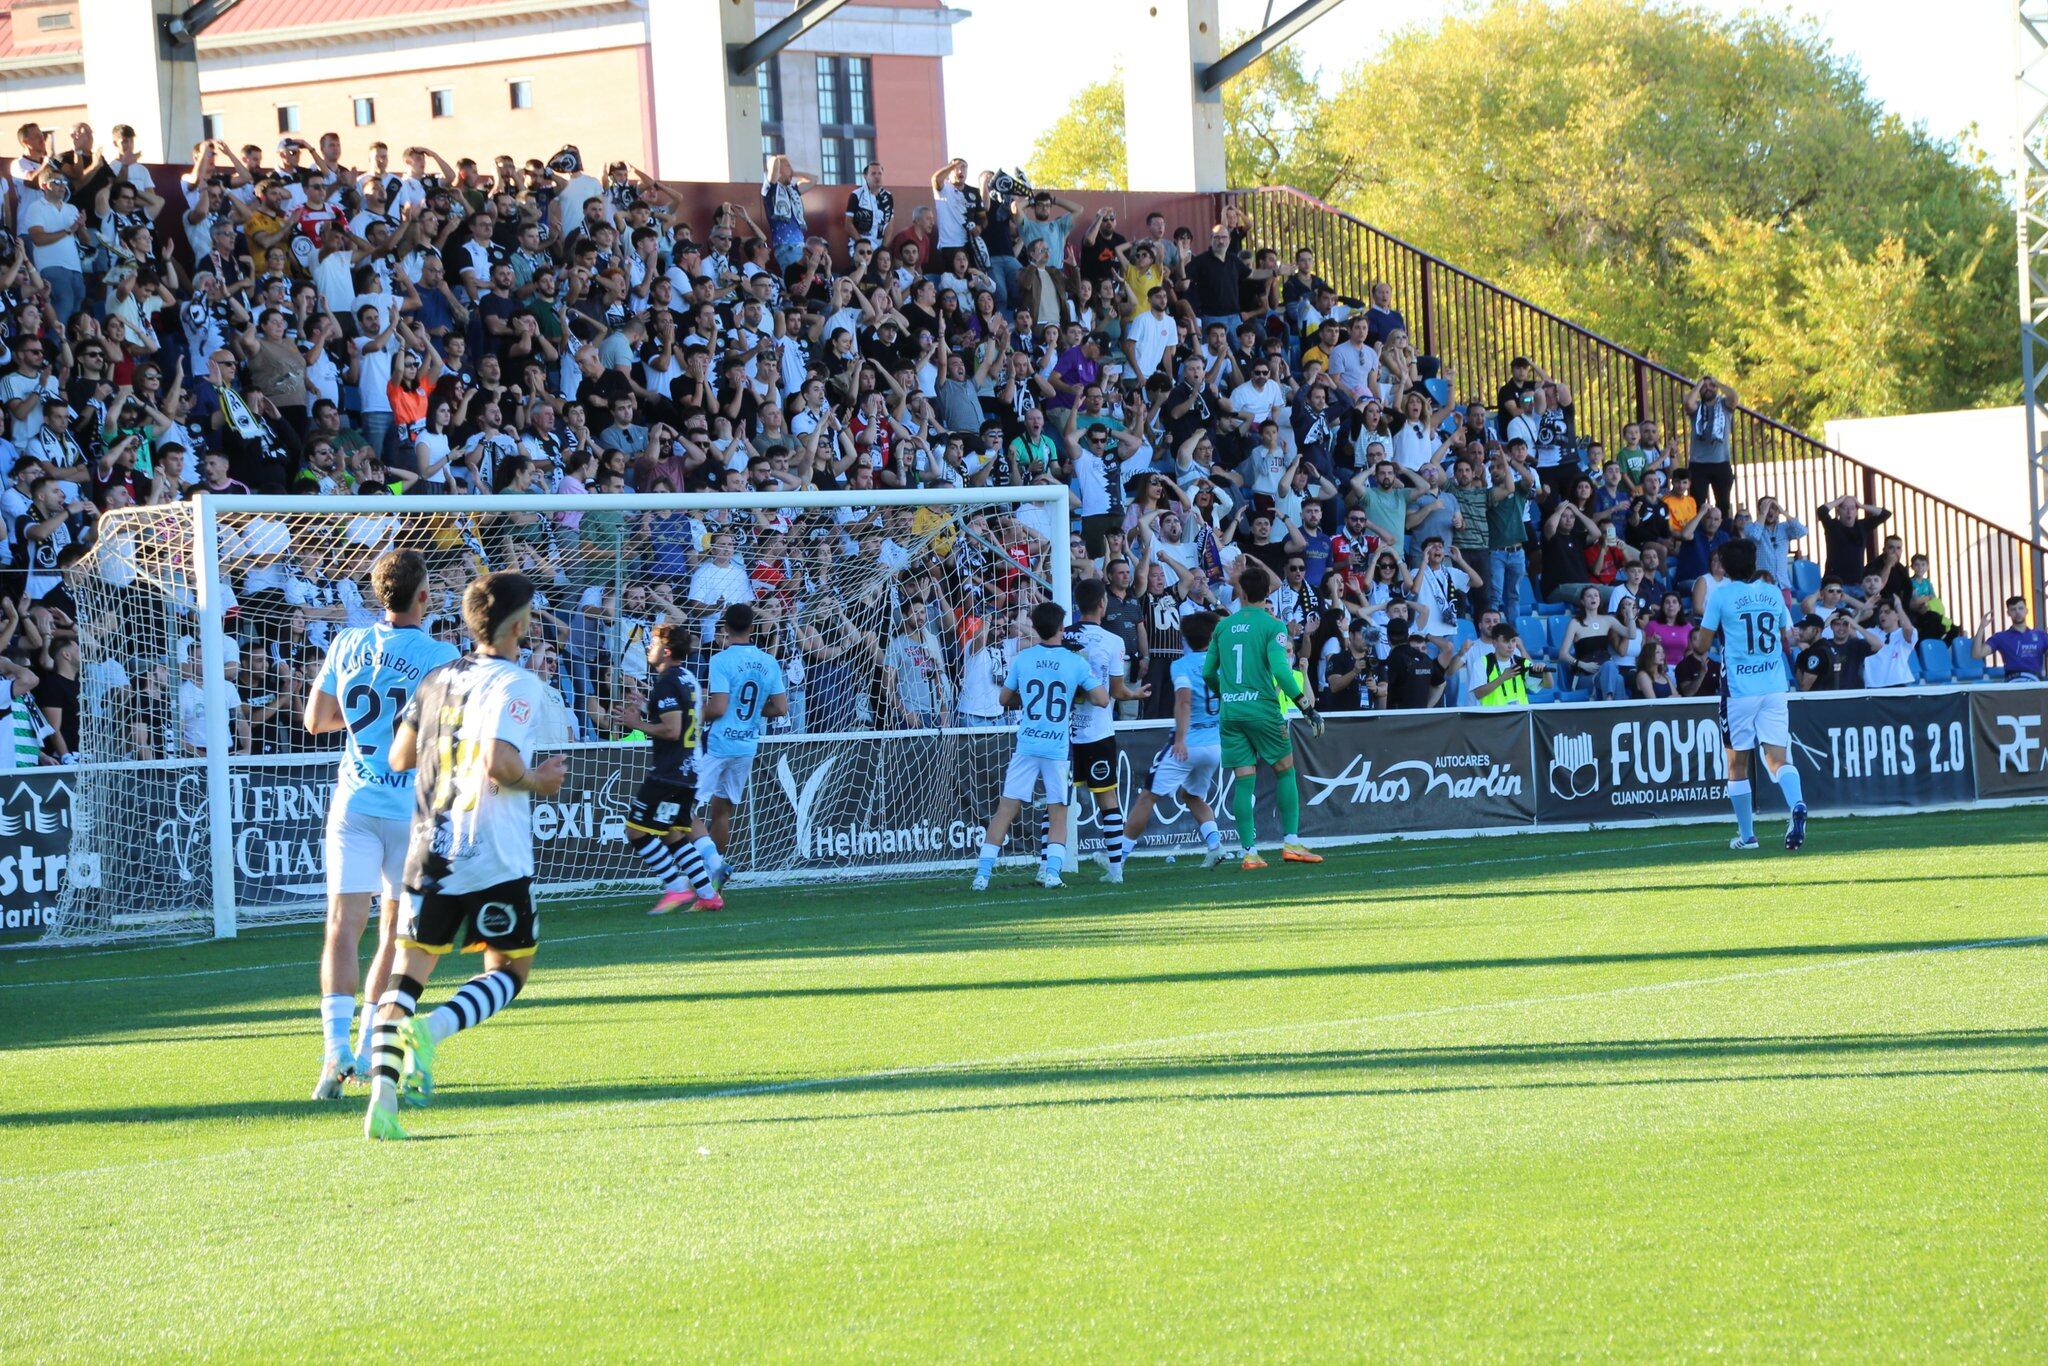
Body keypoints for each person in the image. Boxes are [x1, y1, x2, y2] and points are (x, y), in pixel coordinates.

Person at [365, 571, 570, 1141]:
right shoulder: (518, 683)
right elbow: (502, 763)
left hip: (430, 848)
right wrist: (538, 780)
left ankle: (382, 1096)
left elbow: (402, 756)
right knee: (510, 971)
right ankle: (429, 1033)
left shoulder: (436, 677)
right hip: (493, 853)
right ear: (520, 625)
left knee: (404, 978)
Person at [301, 549, 461, 1099]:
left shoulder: (346, 643)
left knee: (342, 926)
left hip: (354, 802)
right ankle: (370, 1047)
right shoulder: (441, 654)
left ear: (376, 594)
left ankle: (333, 1056)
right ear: (424, 597)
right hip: (408, 812)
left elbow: (316, 720)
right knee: (396, 934)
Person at [971, 600, 1107, 892]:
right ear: (1061, 628)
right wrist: (1075, 694)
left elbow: (1004, 699)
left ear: (1034, 628)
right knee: (1058, 811)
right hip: (1057, 749)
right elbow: (1102, 699)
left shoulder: (1024, 658)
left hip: (1028, 743)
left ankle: (982, 876)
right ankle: (1053, 873)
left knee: (1005, 809)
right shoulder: (1076, 661)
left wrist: (1030, 702)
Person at [1205, 559, 1324, 870]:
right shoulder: (1274, 627)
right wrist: (1306, 707)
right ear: (1265, 592)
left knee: (1244, 780)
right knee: (1285, 770)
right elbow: (1282, 673)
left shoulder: (1223, 626)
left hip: (1231, 713)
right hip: (1263, 710)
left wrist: (1227, 696)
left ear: (1242, 592)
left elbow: (1207, 673)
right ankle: (1291, 842)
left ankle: (1250, 853)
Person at [1696, 538, 1806, 854]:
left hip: (1739, 691)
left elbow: (1702, 646)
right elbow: (1789, 634)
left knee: (1737, 764)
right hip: (1774, 686)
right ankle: (1796, 803)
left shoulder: (1720, 595)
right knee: (1777, 758)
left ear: (1725, 567)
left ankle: (1748, 836)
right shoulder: (1772, 593)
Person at [621, 625, 724, 915]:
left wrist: (637, 724)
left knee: (635, 832)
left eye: (651, 643)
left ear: (666, 650)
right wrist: (648, 705)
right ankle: (707, 895)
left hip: (669, 772)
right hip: (689, 770)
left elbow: (672, 729)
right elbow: (686, 715)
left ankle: (676, 887)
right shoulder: (688, 677)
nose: (647, 649)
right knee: (671, 834)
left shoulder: (666, 681)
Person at [1119, 611, 1226, 869]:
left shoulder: (1181, 665)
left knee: (1147, 796)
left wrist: (1180, 739)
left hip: (1188, 743)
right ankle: (1215, 846)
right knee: (1191, 795)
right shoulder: (1223, 663)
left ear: (1184, 639)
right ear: (1212, 637)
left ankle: (1117, 858)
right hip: (1215, 744)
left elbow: (1183, 700)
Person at [696, 603, 789, 897]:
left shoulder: (721, 660)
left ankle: (709, 865)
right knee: (721, 812)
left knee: (682, 807)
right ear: (752, 627)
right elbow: (781, 708)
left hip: (720, 744)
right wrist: (749, 712)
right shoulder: (768, 662)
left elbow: (719, 707)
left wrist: (691, 715)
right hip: (747, 745)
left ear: (724, 628)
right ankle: (713, 877)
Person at [1066, 578, 1149, 884]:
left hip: (1065, 733)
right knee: (1107, 800)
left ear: (1077, 605)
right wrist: (1135, 694)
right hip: (1098, 733)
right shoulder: (1114, 641)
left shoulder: (1064, 637)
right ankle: (1116, 869)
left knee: (1058, 800)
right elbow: (1116, 690)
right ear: (1102, 604)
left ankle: (1048, 868)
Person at [1974, 597, 2048, 681]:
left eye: (2020, 608)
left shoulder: (2041, 635)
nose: (2017, 612)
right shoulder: (2000, 637)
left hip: (2036, 681)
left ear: (2026, 610)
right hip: (2012, 680)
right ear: (2008, 613)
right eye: (2013, 609)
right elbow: (1977, 654)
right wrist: (1981, 628)